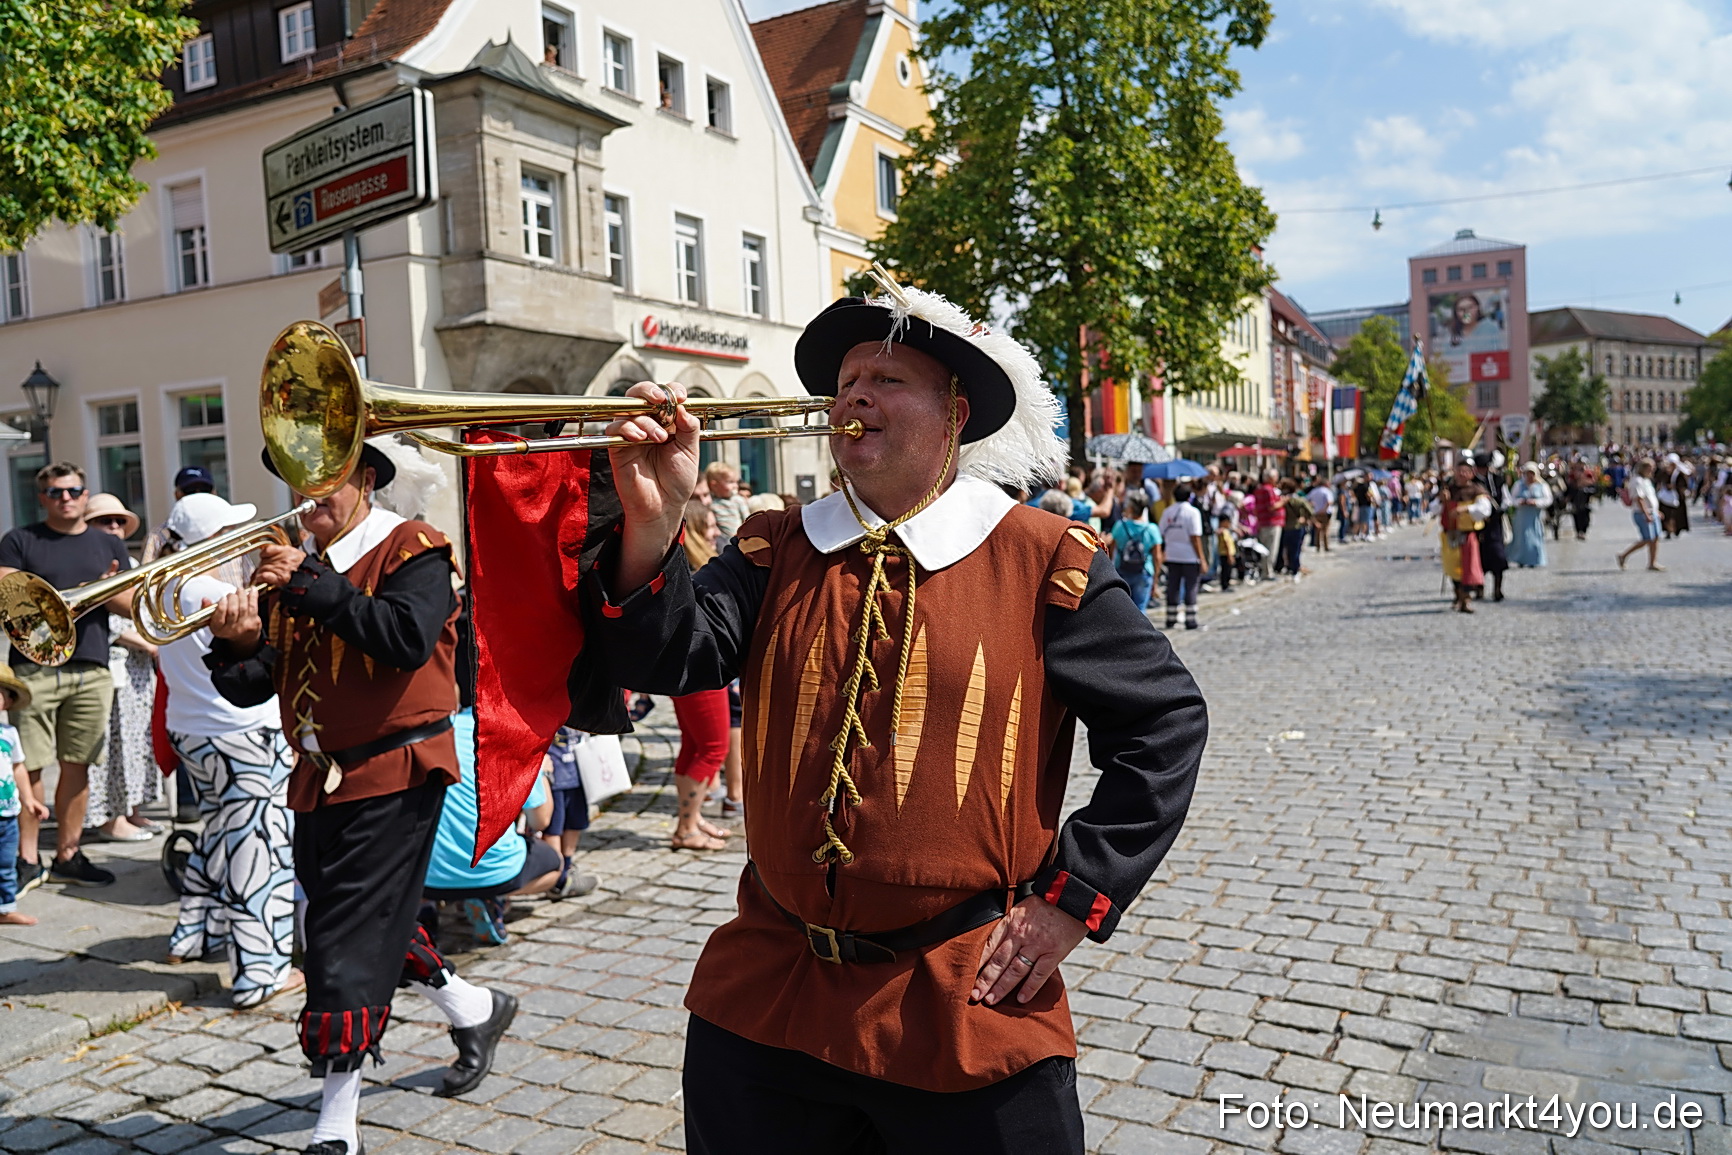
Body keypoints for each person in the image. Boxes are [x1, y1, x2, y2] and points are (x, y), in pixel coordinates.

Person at [588, 282, 1206, 1152]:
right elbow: (664, 658)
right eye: (846, 382)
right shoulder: (775, 544)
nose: (855, 398)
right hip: (769, 993)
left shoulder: (1041, 557)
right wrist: (652, 522)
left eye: (887, 378)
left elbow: (1167, 722)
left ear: (954, 414)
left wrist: (1074, 899)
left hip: (965, 1002)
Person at [205, 439, 516, 1155]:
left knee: (339, 944)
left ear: (367, 479)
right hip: (317, 778)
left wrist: (313, 581)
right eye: (298, 483)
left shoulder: (414, 548)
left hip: (399, 770)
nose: (307, 498)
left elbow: (405, 638)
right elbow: (257, 685)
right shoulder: (296, 570)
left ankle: (335, 1122)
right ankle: (475, 1006)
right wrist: (238, 641)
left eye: (326, 481)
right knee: (371, 916)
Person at [155, 492, 300, 1007]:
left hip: (192, 730)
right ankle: (261, 972)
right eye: (232, 533)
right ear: (212, 540)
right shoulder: (214, 592)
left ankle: (192, 934)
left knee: (220, 833)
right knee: (258, 851)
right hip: (243, 734)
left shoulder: (166, 588)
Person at [0, 462, 134, 889]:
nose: (66, 498)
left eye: (74, 490)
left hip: (90, 664)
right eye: (56, 492)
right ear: (43, 498)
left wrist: (106, 589)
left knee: (78, 765)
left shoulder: (106, 543)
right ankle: (27, 859)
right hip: (34, 667)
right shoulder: (21, 540)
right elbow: (9, 597)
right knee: (31, 766)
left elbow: (131, 606)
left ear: (84, 492)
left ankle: (68, 854)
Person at [423, 708, 562, 946]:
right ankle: (491, 895)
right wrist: (543, 773)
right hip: (495, 868)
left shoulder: (426, 732)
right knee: (554, 866)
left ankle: (424, 911)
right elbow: (541, 820)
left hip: (426, 879)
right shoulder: (512, 733)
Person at [82, 493, 163, 844]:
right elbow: (103, 621)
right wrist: (147, 642)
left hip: (139, 671)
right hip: (113, 664)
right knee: (113, 745)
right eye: (104, 521)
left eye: (117, 521)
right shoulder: (85, 562)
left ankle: (132, 810)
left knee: (137, 743)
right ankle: (109, 817)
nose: (113, 527)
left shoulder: (129, 561)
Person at [0, 666, 45, 925]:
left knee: (6, 865)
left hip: (7, 815)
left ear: (8, 702)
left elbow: (19, 769)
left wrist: (29, 800)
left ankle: (5, 909)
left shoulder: (9, 734)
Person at [539, 727, 600, 897]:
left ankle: (567, 866)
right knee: (553, 828)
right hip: (553, 774)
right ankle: (557, 878)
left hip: (579, 771)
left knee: (575, 823)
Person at [1436, 460, 1490, 613]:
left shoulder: (1476, 490)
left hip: (1467, 534)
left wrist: (1466, 509)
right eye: (1459, 471)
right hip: (1451, 534)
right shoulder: (1448, 490)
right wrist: (1442, 500)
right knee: (1452, 567)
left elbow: (1485, 510)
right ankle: (1458, 595)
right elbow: (1434, 509)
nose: (1461, 474)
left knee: (1468, 567)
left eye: (1465, 471)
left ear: (1471, 473)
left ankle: (1465, 599)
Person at [142, 466, 218, 563]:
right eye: (190, 490)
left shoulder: (229, 530)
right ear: (177, 494)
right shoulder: (157, 536)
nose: (197, 495)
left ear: (214, 493)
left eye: (204, 489)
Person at [1157, 485, 1206, 630]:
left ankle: (1170, 618)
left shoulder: (1167, 511)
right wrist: (1202, 558)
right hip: (1189, 555)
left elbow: (1162, 532)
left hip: (1172, 554)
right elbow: (1195, 537)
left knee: (1173, 586)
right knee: (1191, 587)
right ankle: (1190, 619)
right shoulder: (1193, 512)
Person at [1108, 490, 1161, 611]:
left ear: (1131, 508)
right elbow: (1157, 556)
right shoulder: (1152, 529)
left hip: (1122, 570)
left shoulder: (1120, 526)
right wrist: (1156, 579)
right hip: (1144, 571)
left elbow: (1111, 550)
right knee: (1140, 609)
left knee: (1122, 609)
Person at [1617, 459, 1664, 572]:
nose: (1652, 470)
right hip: (1642, 512)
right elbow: (1639, 499)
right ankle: (1623, 555)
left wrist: (1656, 511)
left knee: (1656, 538)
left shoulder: (1646, 480)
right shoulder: (1636, 481)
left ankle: (1652, 562)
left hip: (1652, 511)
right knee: (1647, 538)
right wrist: (1646, 513)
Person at [1476, 455, 1510, 601]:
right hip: (1478, 525)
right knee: (1479, 558)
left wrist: (1500, 510)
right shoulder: (1473, 483)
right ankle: (1479, 589)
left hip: (1495, 525)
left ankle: (1497, 589)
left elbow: (1507, 499)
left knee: (1498, 557)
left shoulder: (1498, 480)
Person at [1507, 463, 1553, 569]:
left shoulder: (1542, 485)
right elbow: (1511, 499)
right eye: (1527, 473)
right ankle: (1521, 559)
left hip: (1535, 516)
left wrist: (1536, 502)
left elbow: (1548, 499)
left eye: (1531, 473)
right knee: (1521, 538)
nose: (1529, 476)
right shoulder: (1519, 485)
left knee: (1535, 537)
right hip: (1522, 516)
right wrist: (1520, 502)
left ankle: (1534, 559)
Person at [705, 461, 752, 546]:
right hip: (719, 540)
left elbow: (747, 520)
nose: (735, 486)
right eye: (730, 482)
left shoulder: (738, 500)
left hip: (737, 539)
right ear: (714, 485)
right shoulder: (710, 502)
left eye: (736, 482)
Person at [1251, 469, 1283, 579]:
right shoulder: (1268, 490)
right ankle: (1268, 572)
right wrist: (1283, 501)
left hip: (1262, 522)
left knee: (1265, 548)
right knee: (1270, 549)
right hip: (1271, 523)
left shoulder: (1259, 489)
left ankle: (1265, 570)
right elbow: (1271, 506)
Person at [1307, 477, 1334, 552]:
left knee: (1317, 530)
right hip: (1325, 513)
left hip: (1316, 512)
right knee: (1325, 530)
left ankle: (1318, 546)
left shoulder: (1314, 491)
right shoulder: (1326, 491)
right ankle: (1326, 546)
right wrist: (1324, 509)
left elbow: (1307, 499)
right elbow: (1329, 502)